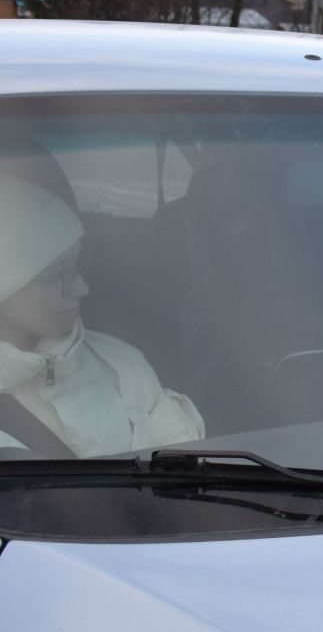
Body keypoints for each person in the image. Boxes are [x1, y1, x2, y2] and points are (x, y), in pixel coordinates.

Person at [0, 175, 204, 456]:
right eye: (59, 273)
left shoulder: (119, 365)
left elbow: (185, 482)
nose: (83, 288)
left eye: (79, 265)